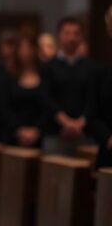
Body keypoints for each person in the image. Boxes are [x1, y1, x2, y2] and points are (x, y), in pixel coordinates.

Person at [41, 17, 95, 155]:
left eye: (76, 34)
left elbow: (93, 98)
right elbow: (46, 98)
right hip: (55, 132)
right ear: (59, 35)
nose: (71, 38)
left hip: (84, 132)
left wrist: (79, 123)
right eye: (67, 33)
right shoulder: (48, 66)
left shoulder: (90, 66)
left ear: (82, 37)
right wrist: (65, 122)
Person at [0, 33, 47, 147]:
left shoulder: (45, 75)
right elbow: (4, 106)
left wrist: (37, 130)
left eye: (29, 48)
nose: (26, 52)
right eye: (22, 48)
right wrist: (19, 130)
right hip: (13, 135)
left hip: (40, 135)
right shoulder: (9, 77)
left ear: (35, 50)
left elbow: (48, 106)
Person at [85, 5, 112, 168]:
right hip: (109, 156)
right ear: (110, 32)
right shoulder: (99, 74)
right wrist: (108, 138)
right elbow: (91, 116)